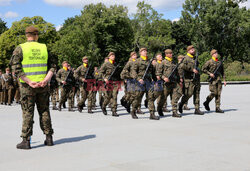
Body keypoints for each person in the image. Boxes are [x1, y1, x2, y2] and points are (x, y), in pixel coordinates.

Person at [10, 26, 54, 149]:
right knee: (44, 111)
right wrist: (45, 80)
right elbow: (53, 66)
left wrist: (29, 81)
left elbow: (16, 68)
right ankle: (49, 137)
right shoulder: (44, 48)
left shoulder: (20, 48)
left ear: (26, 35)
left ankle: (26, 140)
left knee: (28, 112)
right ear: (36, 35)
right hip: (43, 85)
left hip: (27, 86)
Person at [130, 48, 160, 120]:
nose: (145, 52)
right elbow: (133, 71)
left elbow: (153, 72)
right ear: (140, 53)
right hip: (140, 82)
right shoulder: (137, 61)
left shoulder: (149, 62)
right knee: (137, 98)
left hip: (148, 82)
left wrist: (155, 81)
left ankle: (152, 114)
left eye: (146, 51)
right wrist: (138, 79)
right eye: (144, 51)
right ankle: (133, 110)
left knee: (151, 97)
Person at [178, 45, 204, 115]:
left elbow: (197, 67)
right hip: (189, 79)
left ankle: (197, 109)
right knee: (188, 94)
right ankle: (181, 103)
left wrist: (197, 71)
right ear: (188, 50)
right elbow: (181, 66)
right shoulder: (185, 58)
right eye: (192, 49)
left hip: (196, 79)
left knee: (197, 94)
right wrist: (191, 69)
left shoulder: (195, 58)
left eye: (193, 49)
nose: (193, 50)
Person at [157, 49, 183, 117]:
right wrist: (164, 78)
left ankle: (174, 111)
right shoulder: (163, 62)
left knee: (176, 95)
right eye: (170, 53)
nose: (171, 54)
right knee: (163, 98)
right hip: (166, 83)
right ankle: (159, 108)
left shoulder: (174, 62)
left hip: (174, 82)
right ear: (166, 54)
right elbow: (158, 73)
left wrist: (179, 79)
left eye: (171, 53)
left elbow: (177, 73)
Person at [100, 52, 120, 117]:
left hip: (115, 82)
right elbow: (101, 72)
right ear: (109, 57)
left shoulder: (115, 64)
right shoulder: (106, 64)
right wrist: (104, 78)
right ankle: (103, 106)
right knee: (108, 97)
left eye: (114, 55)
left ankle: (114, 111)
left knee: (115, 96)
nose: (113, 56)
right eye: (111, 55)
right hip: (108, 82)